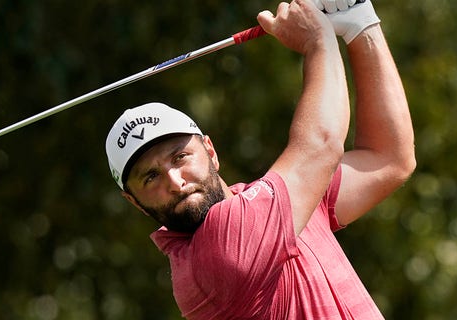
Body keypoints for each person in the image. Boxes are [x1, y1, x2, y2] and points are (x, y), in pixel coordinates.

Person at [105, 0, 415, 318]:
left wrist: (360, 24)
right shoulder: (212, 257)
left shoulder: (277, 203)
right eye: (151, 176)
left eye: (180, 156)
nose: (175, 180)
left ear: (210, 151)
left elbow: (387, 159)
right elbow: (321, 145)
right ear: (133, 201)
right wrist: (317, 41)